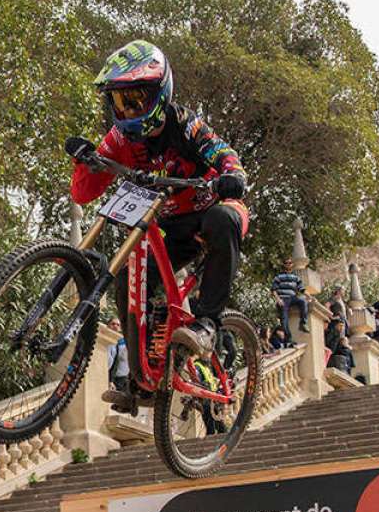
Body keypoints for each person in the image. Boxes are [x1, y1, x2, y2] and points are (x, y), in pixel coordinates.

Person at [68, 40, 248, 413]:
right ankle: (141, 384)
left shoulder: (185, 124)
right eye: (120, 102)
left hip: (211, 212)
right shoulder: (119, 139)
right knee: (126, 275)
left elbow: (224, 153)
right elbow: (84, 193)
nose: (129, 110)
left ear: (160, 94)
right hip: (171, 226)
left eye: (136, 100)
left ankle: (209, 324)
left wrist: (232, 175)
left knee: (223, 217)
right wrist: (86, 161)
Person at [271, 258, 310, 338]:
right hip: (283, 299)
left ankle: (303, 323)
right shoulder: (278, 277)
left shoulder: (295, 277)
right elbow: (273, 290)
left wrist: (308, 295)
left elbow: (301, 289)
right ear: (284, 265)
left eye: (290, 263)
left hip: (293, 298)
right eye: (286, 263)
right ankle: (289, 338)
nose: (288, 264)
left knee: (303, 302)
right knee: (284, 320)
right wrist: (278, 300)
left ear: (292, 264)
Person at [106, 318, 130, 394]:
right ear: (108, 325)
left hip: (123, 379)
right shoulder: (105, 340)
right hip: (108, 377)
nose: (115, 326)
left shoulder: (121, 343)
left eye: (118, 325)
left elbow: (115, 364)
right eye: (113, 324)